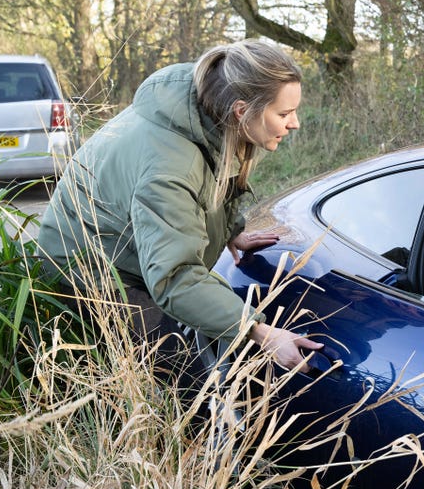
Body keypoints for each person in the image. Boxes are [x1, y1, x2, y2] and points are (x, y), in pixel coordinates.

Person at [37, 40, 322, 385]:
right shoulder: (170, 167)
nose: (296, 124)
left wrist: (230, 230)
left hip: (136, 242)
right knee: (181, 380)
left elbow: (212, 178)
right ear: (242, 111)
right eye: (284, 114)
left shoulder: (209, 104)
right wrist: (260, 332)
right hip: (92, 262)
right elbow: (174, 277)